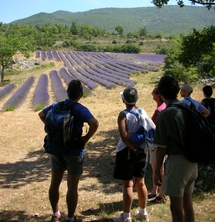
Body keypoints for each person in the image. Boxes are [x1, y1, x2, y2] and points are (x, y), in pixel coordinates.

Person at [38, 80, 99, 222]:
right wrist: (85, 139)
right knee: (72, 186)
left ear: (67, 92)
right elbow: (94, 123)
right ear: (81, 95)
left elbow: (41, 114)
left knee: (54, 183)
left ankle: (55, 214)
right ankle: (70, 218)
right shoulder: (79, 109)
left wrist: (53, 130)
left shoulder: (57, 105)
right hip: (74, 151)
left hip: (56, 149)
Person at [154, 75, 198, 222]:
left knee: (176, 208)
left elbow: (161, 148)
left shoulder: (165, 114)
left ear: (160, 92)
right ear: (178, 90)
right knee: (188, 205)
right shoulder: (187, 107)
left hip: (177, 162)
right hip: (192, 159)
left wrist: (156, 171)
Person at [113, 86, 155, 222]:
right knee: (141, 183)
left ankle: (126, 216)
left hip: (127, 152)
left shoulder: (123, 114)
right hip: (142, 151)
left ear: (123, 100)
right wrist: (140, 150)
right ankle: (143, 212)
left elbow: (124, 137)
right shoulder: (142, 111)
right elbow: (152, 128)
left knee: (127, 185)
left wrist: (134, 150)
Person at [148, 86, 166, 203]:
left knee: (158, 169)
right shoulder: (163, 107)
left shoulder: (159, 110)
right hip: (159, 143)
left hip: (158, 143)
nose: (152, 94)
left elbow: (155, 127)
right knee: (155, 167)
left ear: (158, 95)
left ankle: (161, 195)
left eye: (153, 92)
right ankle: (155, 191)